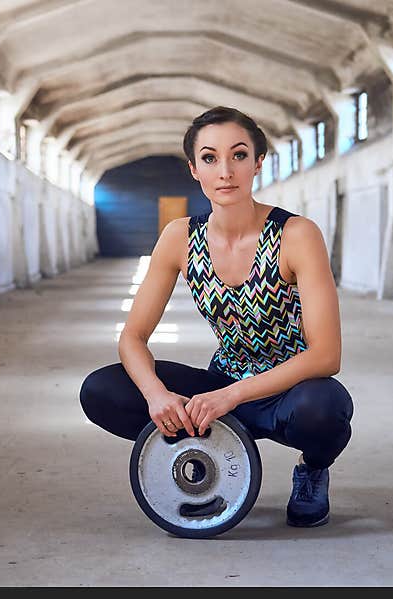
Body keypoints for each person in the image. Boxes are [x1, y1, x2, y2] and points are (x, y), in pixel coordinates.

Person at [79, 106, 354, 528]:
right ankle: (212, 447)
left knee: (327, 406)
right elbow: (132, 337)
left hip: (290, 391)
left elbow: (326, 355)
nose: (225, 170)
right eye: (210, 158)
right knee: (101, 389)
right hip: (220, 384)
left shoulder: (297, 235)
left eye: (239, 155)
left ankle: (312, 470)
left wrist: (233, 396)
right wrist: (157, 396)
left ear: (258, 162)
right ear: (194, 169)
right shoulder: (179, 238)